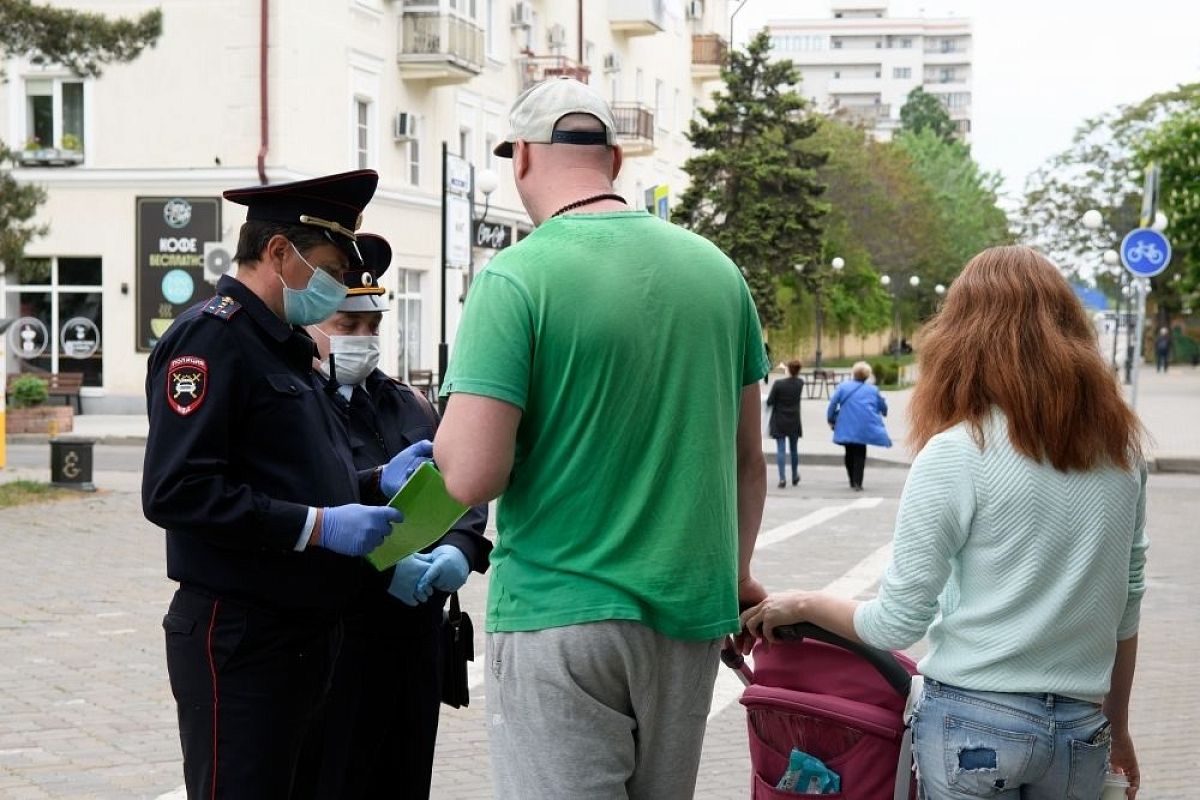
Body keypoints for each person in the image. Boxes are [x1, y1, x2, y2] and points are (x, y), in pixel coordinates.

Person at [430, 77, 769, 800]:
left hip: (560, 615)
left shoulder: (516, 279)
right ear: (615, 160)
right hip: (687, 622)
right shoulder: (718, 274)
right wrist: (735, 583)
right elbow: (746, 459)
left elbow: (470, 474)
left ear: (521, 157)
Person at [740, 246, 1147, 799]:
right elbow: (1126, 601)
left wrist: (805, 604)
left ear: (961, 338)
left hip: (972, 726)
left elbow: (894, 624)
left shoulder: (958, 452)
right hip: (1080, 731)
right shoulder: (1121, 457)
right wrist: (1117, 728)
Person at [142, 170, 433, 798]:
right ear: (279, 252)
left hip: (303, 635)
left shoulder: (285, 347)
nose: (335, 288)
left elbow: (290, 473)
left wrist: (374, 480)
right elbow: (177, 490)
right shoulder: (212, 339)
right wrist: (319, 527)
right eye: (328, 268)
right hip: (241, 636)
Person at [298, 234, 492, 800]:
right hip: (337, 638)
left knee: (405, 777)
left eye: (371, 328)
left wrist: (460, 546)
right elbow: (304, 507)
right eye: (345, 325)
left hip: (414, 639)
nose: (361, 340)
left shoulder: (407, 403)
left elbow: (461, 483)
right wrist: (383, 571)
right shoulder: (298, 406)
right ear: (310, 322)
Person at [826, 361, 891, 491]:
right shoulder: (873, 390)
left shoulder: (843, 387)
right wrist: (884, 411)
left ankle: (851, 479)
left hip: (846, 424)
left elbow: (832, 404)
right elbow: (882, 406)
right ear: (867, 376)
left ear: (854, 373)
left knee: (849, 452)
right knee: (860, 452)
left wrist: (831, 419)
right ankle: (858, 482)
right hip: (864, 426)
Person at [766, 359, 805, 488]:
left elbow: (770, 401)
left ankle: (782, 478)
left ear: (788, 369)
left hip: (779, 419)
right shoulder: (800, 383)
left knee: (781, 450)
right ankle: (794, 475)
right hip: (794, 419)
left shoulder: (778, 384)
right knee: (794, 449)